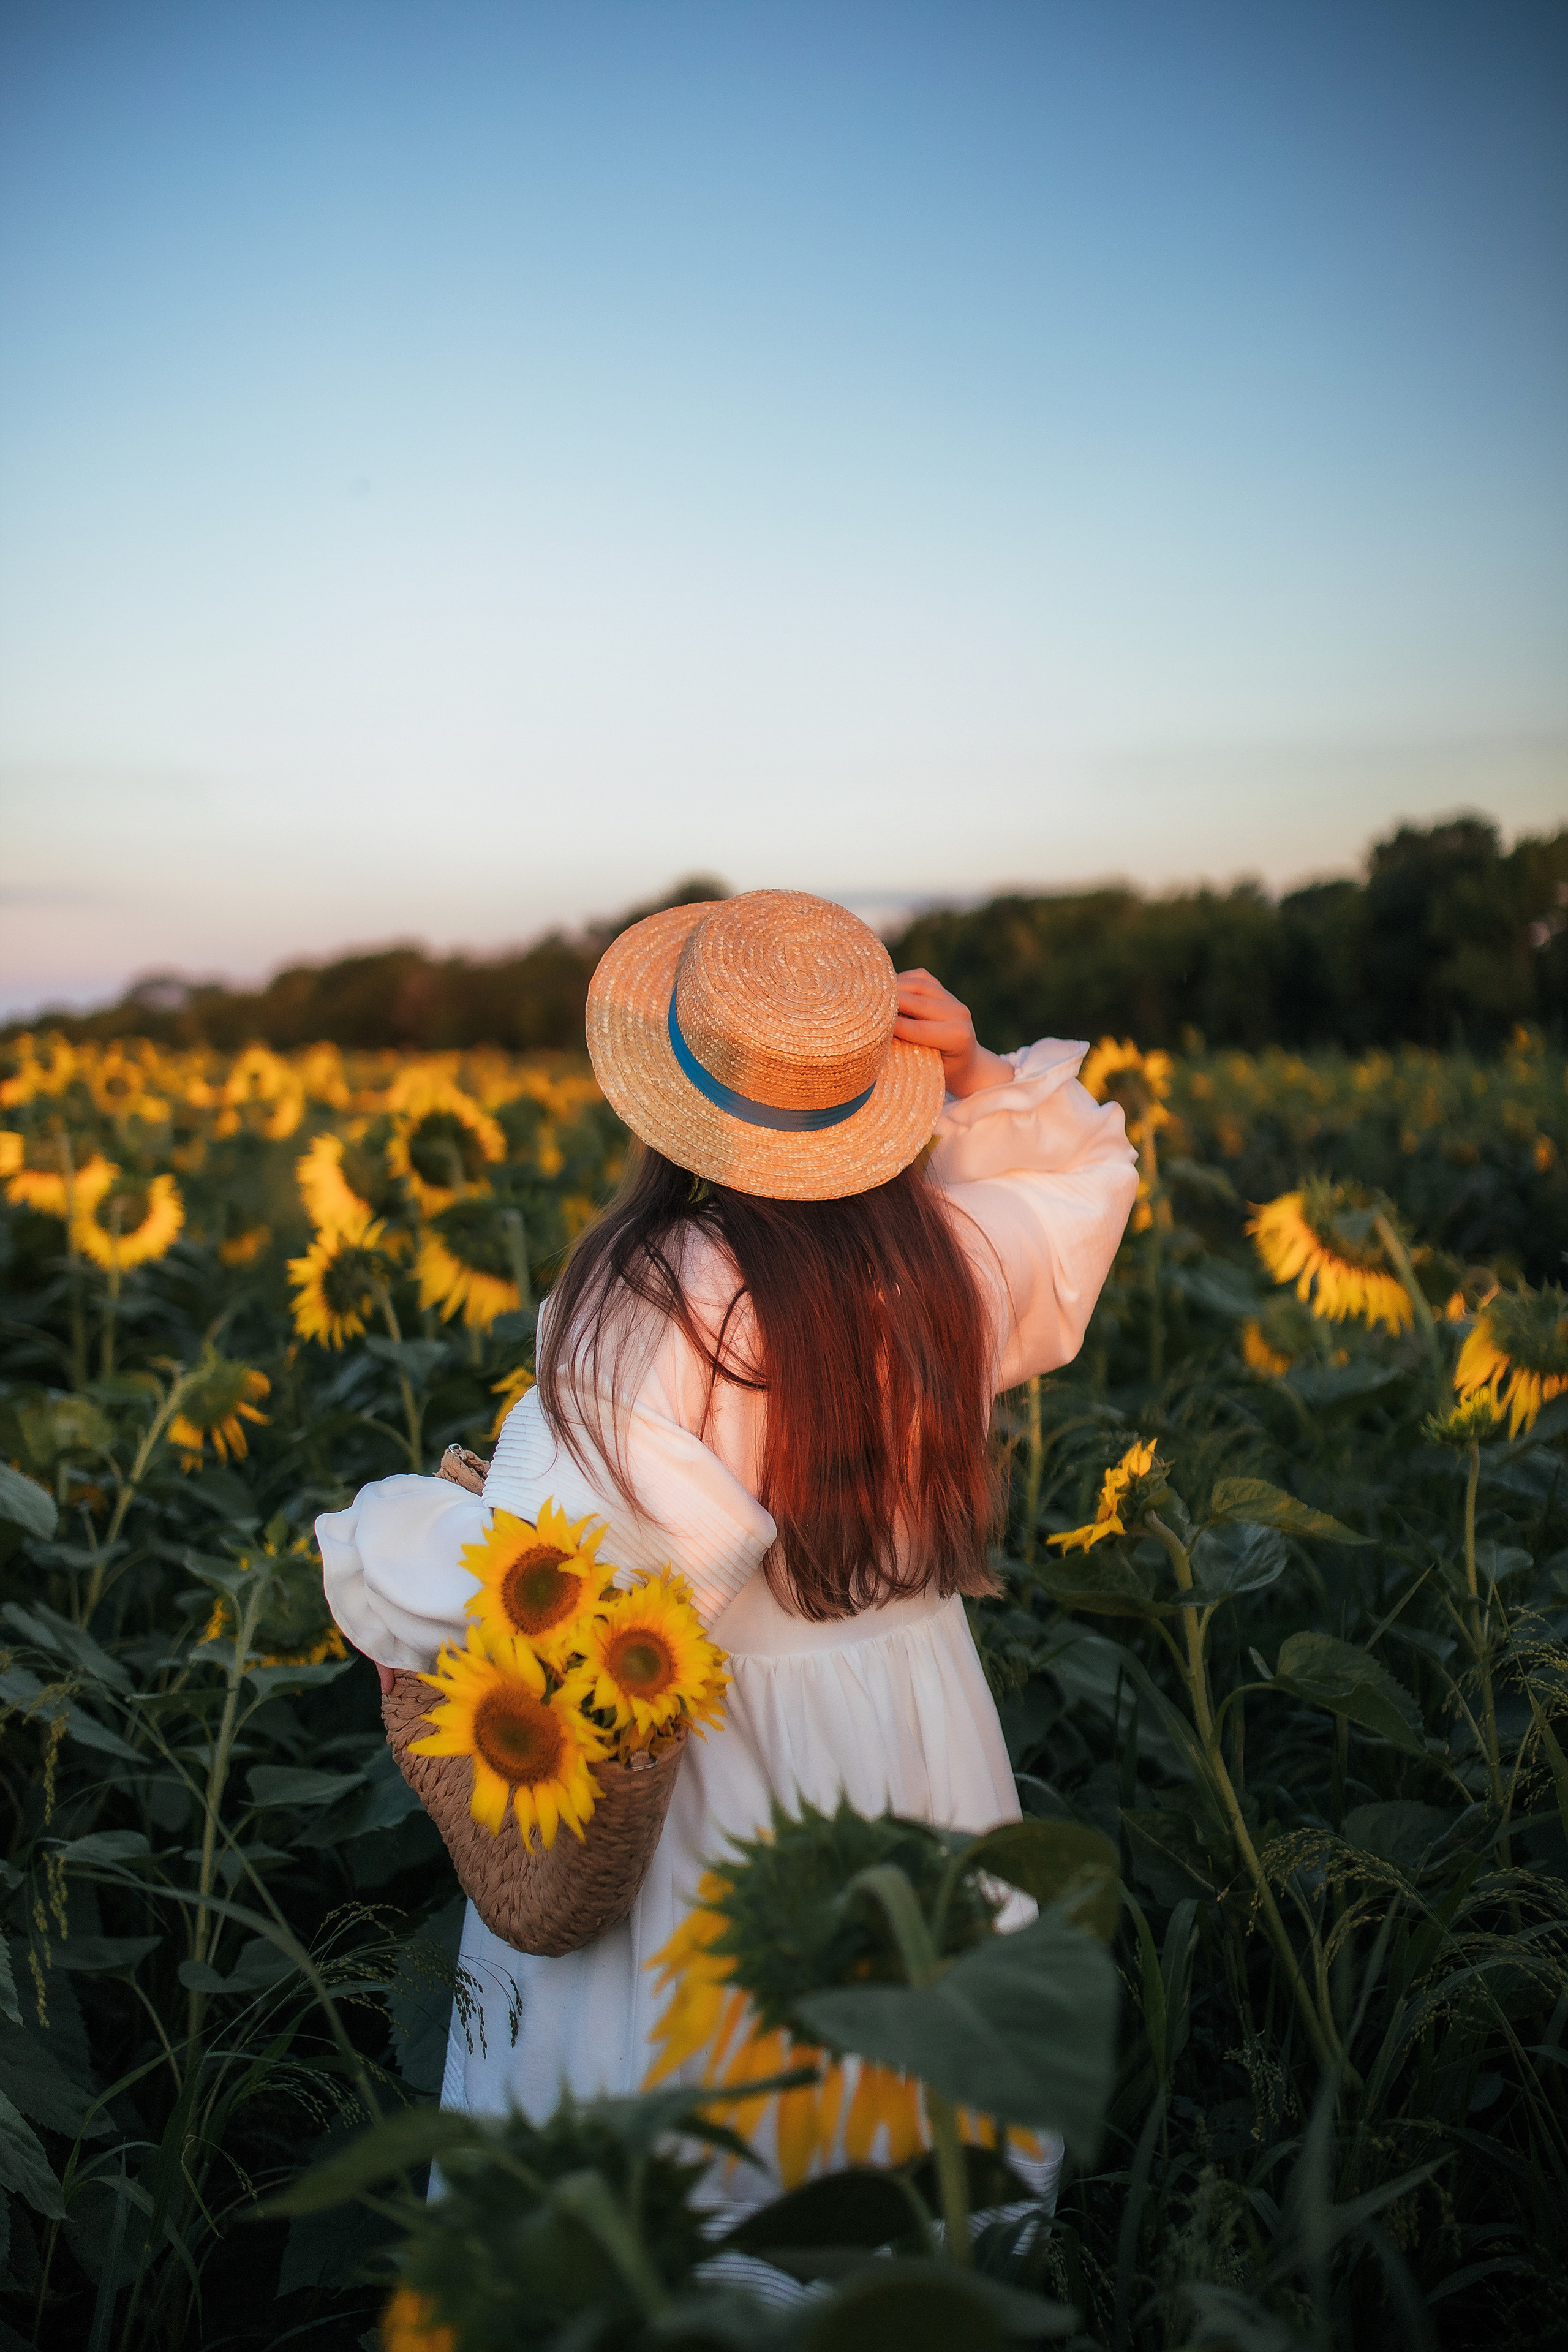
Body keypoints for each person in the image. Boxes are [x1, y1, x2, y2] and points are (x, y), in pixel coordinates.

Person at [317, 888, 1136, 2217]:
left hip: (721, 1751)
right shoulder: (945, 1256)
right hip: (915, 1717)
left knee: (696, 2101)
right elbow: (1077, 1190)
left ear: (674, 1101)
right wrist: (980, 1073)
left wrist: (384, 1551)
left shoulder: (654, 1290)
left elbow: (575, 1573)